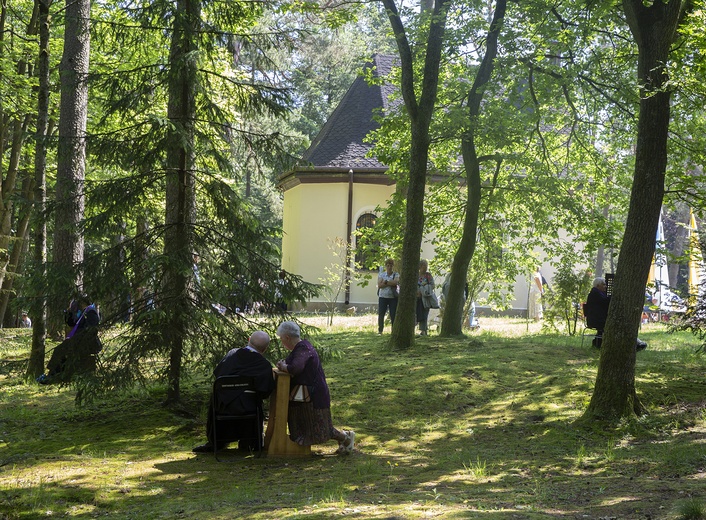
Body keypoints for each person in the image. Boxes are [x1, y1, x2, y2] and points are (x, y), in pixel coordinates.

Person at [275, 321, 354, 455]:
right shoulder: (299, 349)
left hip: (313, 397)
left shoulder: (303, 348)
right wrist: (283, 364)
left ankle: (346, 438)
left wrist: (284, 367)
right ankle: (301, 449)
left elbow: (296, 367)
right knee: (307, 426)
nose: (282, 342)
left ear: (287, 337)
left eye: (281, 339)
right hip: (304, 396)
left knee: (321, 428)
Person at [193, 330, 275, 453]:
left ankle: (215, 442)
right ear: (265, 349)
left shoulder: (231, 354)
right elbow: (264, 392)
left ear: (248, 340)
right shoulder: (263, 365)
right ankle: (250, 442)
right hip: (248, 409)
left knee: (219, 396)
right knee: (253, 400)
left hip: (222, 406)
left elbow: (218, 375)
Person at [38, 295, 102, 384]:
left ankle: (52, 375)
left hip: (87, 343)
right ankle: (53, 374)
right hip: (78, 340)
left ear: (83, 303)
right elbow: (71, 323)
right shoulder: (84, 312)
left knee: (61, 350)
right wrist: (68, 312)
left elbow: (91, 330)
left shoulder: (91, 312)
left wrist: (78, 338)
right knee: (60, 350)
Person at [585, 277, 646, 351]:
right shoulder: (595, 293)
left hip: (598, 319)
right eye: (603, 285)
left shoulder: (597, 293)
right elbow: (606, 302)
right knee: (621, 324)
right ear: (598, 285)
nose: (606, 286)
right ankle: (635, 344)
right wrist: (615, 295)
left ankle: (635, 343)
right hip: (598, 321)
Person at [377, 259, 399, 334]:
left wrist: (385, 282)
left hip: (392, 298)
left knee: (393, 314)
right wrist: (389, 283)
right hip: (382, 297)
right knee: (381, 314)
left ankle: (394, 331)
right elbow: (379, 285)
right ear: (386, 266)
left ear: (393, 266)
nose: (389, 267)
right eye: (388, 265)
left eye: (391, 265)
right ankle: (380, 330)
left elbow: (395, 283)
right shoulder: (381, 274)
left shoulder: (396, 274)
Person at [416, 260, 435, 336]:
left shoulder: (428, 276)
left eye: (426, 266)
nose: (426, 268)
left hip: (426, 298)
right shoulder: (416, 275)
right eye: (424, 266)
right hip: (416, 297)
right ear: (420, 267)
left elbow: (433, 285)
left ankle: (423, 331)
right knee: (416, 313)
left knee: (424, 314)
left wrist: (425, 289)